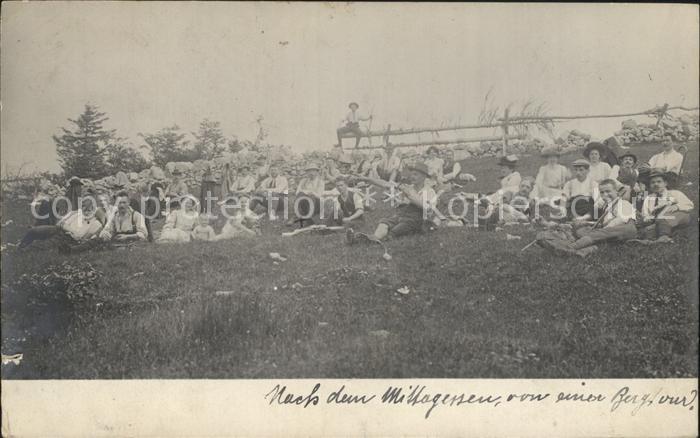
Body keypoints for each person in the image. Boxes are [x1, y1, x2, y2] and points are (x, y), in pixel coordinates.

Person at [536, 179, 638, 257]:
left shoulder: (623, 203)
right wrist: (588, 223)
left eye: (608, 191)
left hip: (625, 229)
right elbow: (603, 222)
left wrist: (601, 229)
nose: (605, 195)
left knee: (598, 234)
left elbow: (620, 220)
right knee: (585, 231)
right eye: (602, 192)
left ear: (617, 192)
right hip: (612, 235)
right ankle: (579, 252)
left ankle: (569, 247)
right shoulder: (607, 206)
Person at [347, 162, 440, 242]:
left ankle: (387, 237)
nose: (412, 177)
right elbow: (386, 183)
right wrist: (366, 179)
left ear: (423, 177)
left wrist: (413, 198)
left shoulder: (429, 191)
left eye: (415, 174)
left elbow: (429, 209)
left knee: (400, 227)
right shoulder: (408, 187)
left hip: (416, 219)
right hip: (401, 215)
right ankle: (372, 238)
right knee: (384, 223)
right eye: (411, 174)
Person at [18, 194, 107, 252]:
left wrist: (68, 228)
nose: (87, 211)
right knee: (34, 231)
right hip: (58, 229)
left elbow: (79, 236)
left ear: (94, 209)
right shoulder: (77, 214)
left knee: (42, 246)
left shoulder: (96, 223)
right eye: (84, 207)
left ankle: (23, 251)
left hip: (67, 237)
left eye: (90, 209)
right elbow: (61, 224)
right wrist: (69, 228)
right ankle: (20, 246)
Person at [638, 172, 694, 242]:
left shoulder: (675, 193)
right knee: (648, 230)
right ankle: (658, 238)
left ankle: (663, 236)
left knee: (674, 216)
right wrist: (647, 218)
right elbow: (645, 213)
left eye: (659, 182)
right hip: (658, 222)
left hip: (677, 217)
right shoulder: (648, 198)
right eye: (653, 182)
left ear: (665, 183)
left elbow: (689, 205)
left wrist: (677, 206)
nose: (656, 184)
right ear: (650, 186)